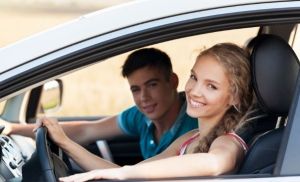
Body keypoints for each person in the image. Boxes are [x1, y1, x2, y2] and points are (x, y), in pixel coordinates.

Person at [37, 42, 254, 181]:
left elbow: (216, 163)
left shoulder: (228, 142)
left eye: (211, 86)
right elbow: (135, 172)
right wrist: (65, 142)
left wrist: (122, 173)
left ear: (234, 97)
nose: (193, 91)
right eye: (194, 77)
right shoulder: (190, 139)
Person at [0, 48, 198, 159]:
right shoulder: (140, 116)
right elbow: (88, 131)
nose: (143, 97)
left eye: (152, 85)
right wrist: (12, 128)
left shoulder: (196, 122)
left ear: (172, 81)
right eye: (135, 89)